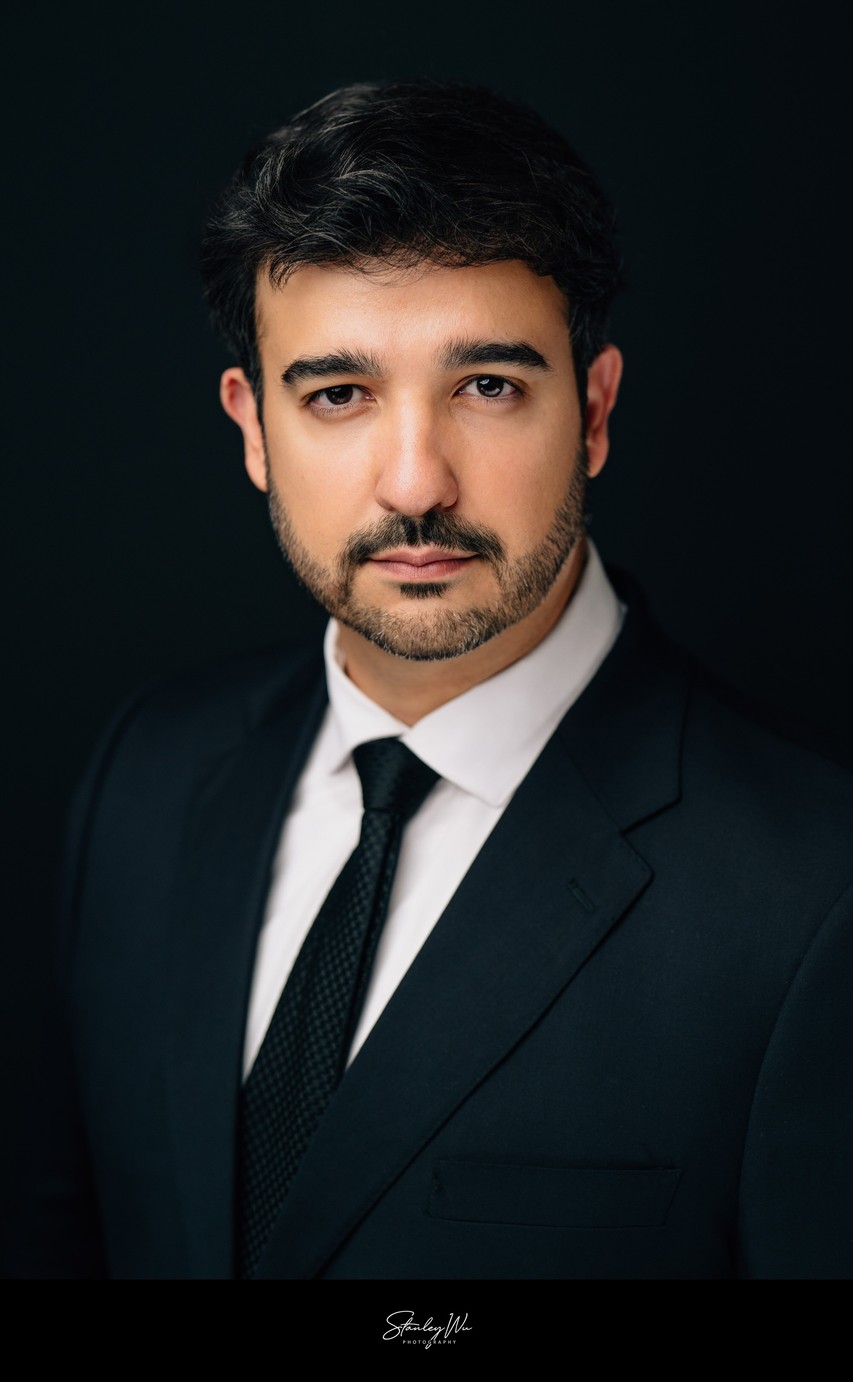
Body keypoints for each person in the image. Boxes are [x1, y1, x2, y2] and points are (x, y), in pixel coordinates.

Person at [8, 78, 853, 1281]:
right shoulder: (147, 774)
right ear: (251, 427)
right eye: (338, 394)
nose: (416, 482)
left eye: (488, 386)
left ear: (595, 410)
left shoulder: (816, 891)